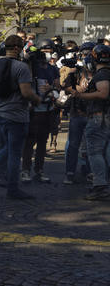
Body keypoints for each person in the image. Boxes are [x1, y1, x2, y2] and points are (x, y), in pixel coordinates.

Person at [0, 35, 42, 199]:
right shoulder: (21, 67)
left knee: (7, 148)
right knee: (14, 153)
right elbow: (26, 92)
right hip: (17, 115)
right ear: (18, 48)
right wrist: (37, 99)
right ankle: (11, 188)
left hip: (0, 113)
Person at [71, 44, 110, 200]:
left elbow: (103, 93)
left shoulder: (102, 74)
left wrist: (80, 96)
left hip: (99, 118)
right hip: (104, 117)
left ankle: (100, 186)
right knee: (106, 153)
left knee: (95, 152)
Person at [21, 43, 59, 182]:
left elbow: (57, 86)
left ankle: (39, 170)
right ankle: (25, 170)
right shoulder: (30, 68)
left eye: (48, 51)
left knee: (43, 142)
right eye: (44, 51)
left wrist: (52, 88)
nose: (46, 54)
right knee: (30, 142)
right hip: (33, 110)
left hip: (48, 109)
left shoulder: (53, 69)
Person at [61, 46, 92, 184]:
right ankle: (70, 173)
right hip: (76, 114)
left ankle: (91, 172)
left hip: (92, 115)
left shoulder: (101, 73)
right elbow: (66, 87)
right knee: (73, 145)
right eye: (85, 54)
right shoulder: (76, 72)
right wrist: (77, 89)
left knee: (92, 146)